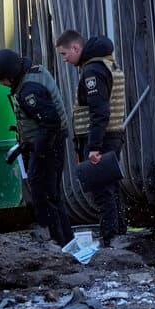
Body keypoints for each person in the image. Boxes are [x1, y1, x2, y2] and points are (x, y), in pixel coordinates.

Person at [0, 48, 73, 247]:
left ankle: (58, 242)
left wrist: (39, 152)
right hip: (49, 144)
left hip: (48, 148)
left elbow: (50, 122)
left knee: (44, 196)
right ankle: (65, 241)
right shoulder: (34, 72)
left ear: (10, 74)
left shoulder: (29, 90)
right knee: (51, 195)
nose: (1, 84)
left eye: (2, 79)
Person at [55, 30, 127, 246]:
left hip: (101, 139)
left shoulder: (93, 71)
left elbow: (99, 111)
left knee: (101, 191)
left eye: (65, 54)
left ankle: (110, 239)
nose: (65, 59)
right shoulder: (106, 63)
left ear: (76, 48)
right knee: (111, 187)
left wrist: (94, 147)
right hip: (111, 135)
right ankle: (119, 235)